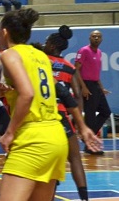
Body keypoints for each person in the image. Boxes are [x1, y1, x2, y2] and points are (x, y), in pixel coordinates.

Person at [0, 8, 68, 200]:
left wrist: (9, 133)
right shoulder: (40, 56)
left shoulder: (10, 54)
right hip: (56, 135)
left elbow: (28, 93)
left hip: (33, 138)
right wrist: (7, 85)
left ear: (5, 32)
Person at [42, 25, 101, 201]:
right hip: (63, 117)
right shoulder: (68, 67)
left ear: (52, 45)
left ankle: (49, 194)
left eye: (46, 42)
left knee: (48, 160)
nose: (44, 44)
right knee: (75, 158)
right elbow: (78, 96)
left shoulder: (40, 60)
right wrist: (77, 121)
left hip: (44, 116)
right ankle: (84, 198)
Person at [75, 30, 111, 155]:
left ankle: (86, 138)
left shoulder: (100, 53)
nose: (96, 38)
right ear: (89, 38)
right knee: (90, 116)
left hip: (95, 85)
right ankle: (89, 146)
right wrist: (83, 87)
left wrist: (101, 88)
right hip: (87, 85)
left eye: (98, 36)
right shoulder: (84, 51)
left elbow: (96, 73)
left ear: (101, 39)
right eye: (94, 36)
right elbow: (76, 70)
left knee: (106, 111)